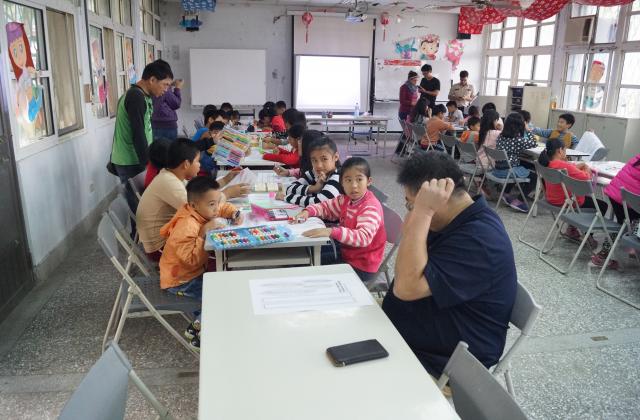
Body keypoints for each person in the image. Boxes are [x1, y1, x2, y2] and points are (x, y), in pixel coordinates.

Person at [382, 151, 516, 377]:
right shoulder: (453, 220)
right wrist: (421, 213)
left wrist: (422, 212)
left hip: (446, 360)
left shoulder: (481, 240)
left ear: (439, 199)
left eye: (411, 204)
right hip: (411, 336)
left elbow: (405, 288)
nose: (410, 212)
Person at [159, 176, 243, 350]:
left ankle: (197, 325)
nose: (216, 208)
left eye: (217, 202)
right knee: (218, 296)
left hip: (191, 273)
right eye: (212, 204)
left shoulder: (201, 210)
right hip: (181, 281)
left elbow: (221, 207)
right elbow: (191, 261)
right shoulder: (187, 226)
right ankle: (200, 335)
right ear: (194, 205)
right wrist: (203, 233)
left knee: (223, 287)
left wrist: (234, 213)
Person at [294, 157, 386, 283]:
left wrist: (331, 231)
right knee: (308, 254)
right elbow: (326, 207)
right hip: (346, 253)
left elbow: (363, 237)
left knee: (312, 268)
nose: (354, 185)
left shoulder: (370, 207)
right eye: (348, 180)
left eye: (359, 179)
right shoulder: (345, 199)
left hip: (362, 265)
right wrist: (308, 212)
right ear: (341, 182)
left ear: (368, 181)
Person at [110, 60, 173, 213]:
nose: (166, 90)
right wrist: (148, 163)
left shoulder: (143, 96)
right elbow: (137, 134)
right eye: (165, 85)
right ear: (152, 80)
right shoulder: (135, 97)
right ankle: (139, 228)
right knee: (139, 207)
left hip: (135, 158)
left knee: (143, 203)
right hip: (131, 161)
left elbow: (146, 130)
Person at [538, 138, 606, 246]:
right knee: (602, 206)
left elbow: (568, 169)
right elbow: (586, 178)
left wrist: (576, 167)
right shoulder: (563, 165)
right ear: (560, 150)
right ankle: (588, 235)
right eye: (565, 150)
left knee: (576, 194)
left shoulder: (547, 163)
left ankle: (572, 229)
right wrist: (586, 169)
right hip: (566, 202)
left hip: (551, 199)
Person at [592, 153, 640, 269]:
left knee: (621, 224)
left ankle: (604, 254)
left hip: (616, 194)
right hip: (630, 201)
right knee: (630, 222)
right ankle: (633, 245)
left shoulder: (637, 157)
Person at [278, 137, 342, 207]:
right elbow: (289, 189)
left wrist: (286, 197)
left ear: (336, 157)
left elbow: (318, 203)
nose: (319, 165)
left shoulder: (338, 177)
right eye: (314, 160)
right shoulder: (314, 173)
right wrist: (314, 188)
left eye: (324, 159)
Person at [494, 112, 538, 213]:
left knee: (521, 166)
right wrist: (528, 130)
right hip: (507, 171)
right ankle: (519, 201)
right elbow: (534, 143)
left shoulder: (501, 136)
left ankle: (505, 193)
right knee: (534, 177)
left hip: (497, 169)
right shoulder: (517, 140)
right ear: (520, 126)